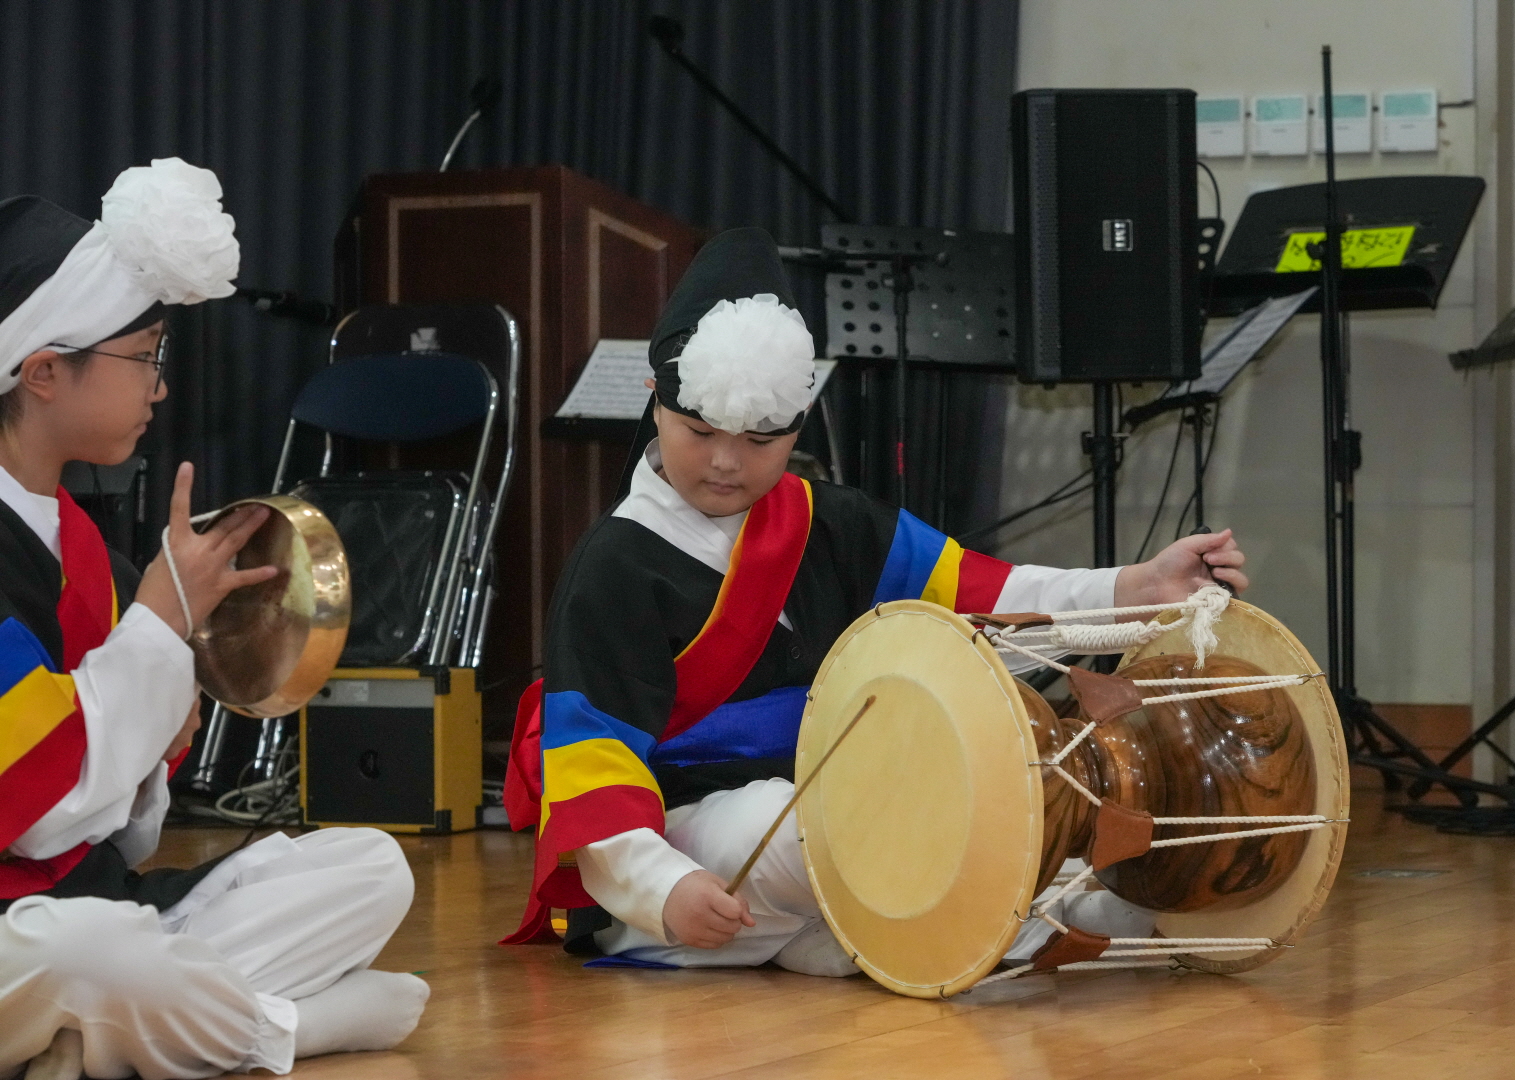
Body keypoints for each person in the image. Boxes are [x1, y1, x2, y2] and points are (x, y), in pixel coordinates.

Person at [503, 227, 1248, 975]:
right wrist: (662, 886)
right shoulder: (613, 567)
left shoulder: (830, 521)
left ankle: (881, 928)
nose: (725, 461)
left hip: (836, 816)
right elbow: (593, 765)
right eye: (699, 431)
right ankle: (1010, 922)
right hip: (690, 842)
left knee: (950, 781)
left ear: (797, 422)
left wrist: (1138, 588)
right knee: (787, 823)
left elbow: (989, 598)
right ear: (655, 402)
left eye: (760, 440)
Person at [0, 160, 427, 1080]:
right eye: (145, 356)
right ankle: (283, 1028)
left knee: (371, 867)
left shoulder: (84, 546)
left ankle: (98, 1037)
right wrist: (159, 623)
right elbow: (28, 808)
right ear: (43, 372)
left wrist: (159, 727)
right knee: (85, 953)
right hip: (22, 931)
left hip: (96, 903)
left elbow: (117, 832)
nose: (159, 386)